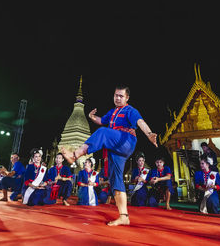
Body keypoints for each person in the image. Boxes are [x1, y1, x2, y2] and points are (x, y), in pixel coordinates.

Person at [61, 85, 157, 226]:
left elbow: (140, 122)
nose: (118, 98)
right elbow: (102, 121)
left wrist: (149, 134)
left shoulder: (130, 110)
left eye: (121, 96)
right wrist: (92, 117)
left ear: (127, 98)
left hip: (126, 141)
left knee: (102, 132)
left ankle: (75, 155)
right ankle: (124, 216)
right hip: (115, 148)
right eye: (116, 95)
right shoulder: (112, 112)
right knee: (115, 179)